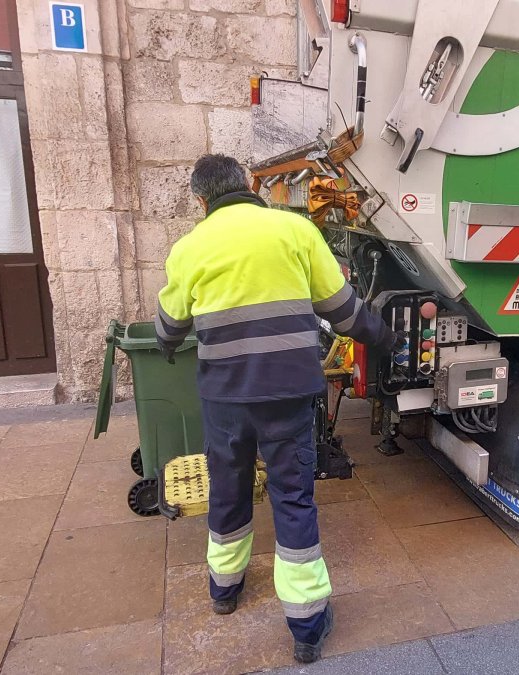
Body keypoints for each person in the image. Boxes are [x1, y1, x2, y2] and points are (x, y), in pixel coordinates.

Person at [154, 154, 396, 664]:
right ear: (248, 183)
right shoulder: (296, 231)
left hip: (225, 399)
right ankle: (306, 625)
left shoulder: (189, 247)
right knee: (292, 497)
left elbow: (169, 328)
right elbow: (344, 313)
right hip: (288, 395)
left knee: (228, 487)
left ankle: (225, 589)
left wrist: (170, 343)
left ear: (200, 200)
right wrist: (384, 337)